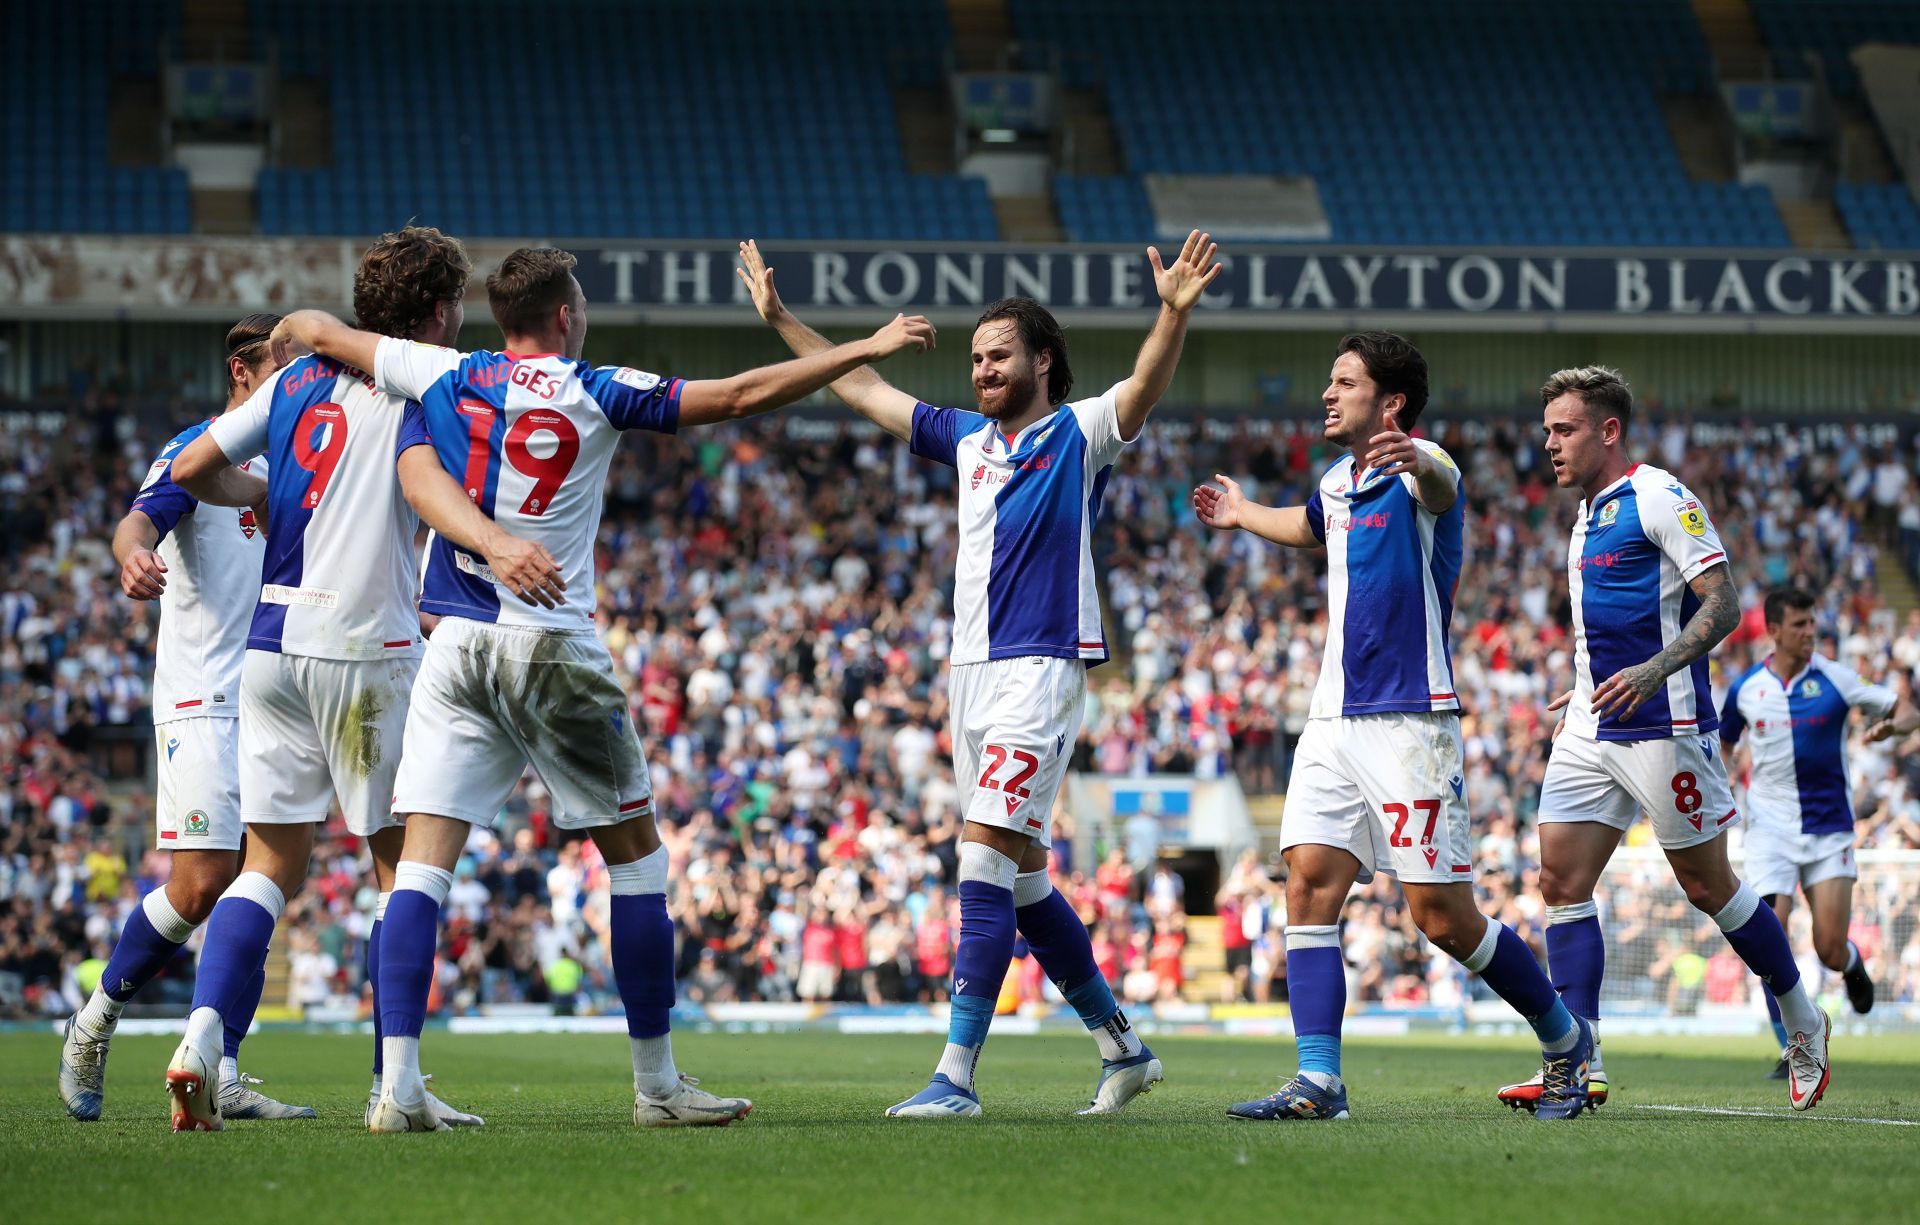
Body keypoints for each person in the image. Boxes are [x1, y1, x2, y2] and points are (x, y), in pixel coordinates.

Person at [273, 244, 934, 1131]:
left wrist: (283, 350)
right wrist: (864, 347)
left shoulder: (442, 370)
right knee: (639, 863)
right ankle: (657, 1085)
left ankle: (396, 1086)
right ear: (563, 317)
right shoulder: (594, 386)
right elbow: (738, 394)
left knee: (420, 872)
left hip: (455, 644)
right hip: (550, 648)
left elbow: (318, 330)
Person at [736, 230, 1223, 1118]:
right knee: (1024, 876)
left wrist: (1172, 313)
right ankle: (1123, 1045)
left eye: (998, 355)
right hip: (969, 674)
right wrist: (785, 322)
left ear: (1043, 361)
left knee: (980, 858)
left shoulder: (1078, 433)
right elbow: (862, 386)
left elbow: (1144, 386)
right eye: (973, 359)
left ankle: (954, 1076)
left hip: (1041, 669)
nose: (981, 370)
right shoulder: (965, 441)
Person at [159, 226, 563, 1132]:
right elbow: (427, 490)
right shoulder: (422, 382)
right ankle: (398, 1085)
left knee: (266, 865)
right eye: (456, 303)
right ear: (436, 310)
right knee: (400, 868)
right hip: (366, 653)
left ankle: (201, 1040)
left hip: (270, 647)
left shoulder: (295, 380)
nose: (462, 319)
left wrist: (265, 496)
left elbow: (192, 467)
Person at [1193, 333, 1595, 1121]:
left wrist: (1420, 459)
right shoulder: (1338, 482)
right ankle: (1319, 1082)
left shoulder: (1420, 471)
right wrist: (1242, 513)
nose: (1327, 393)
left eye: (1343, 381)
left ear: (1391, 402)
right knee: (1307, 887)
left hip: (1411, 723)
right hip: (1332, 720)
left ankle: (1563, 1037)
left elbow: (1444, 485)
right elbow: (1310, 524)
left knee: (1441, 917)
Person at [1495, 366, 1830, 1113]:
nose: (1548, 442)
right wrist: (1581, 688)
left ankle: (1804, 1020)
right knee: (1560, 882)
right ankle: (1580, 1055)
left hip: (1666, 724)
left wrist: (1654, 669)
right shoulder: (1584, 516)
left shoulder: (1660, 496)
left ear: (1608, 431)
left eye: (1565, 429)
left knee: (1709, 886)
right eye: (1547, 428)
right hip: (1593, 722)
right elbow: (1607, 627)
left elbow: (1725, 603)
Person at [59, 314, 313, 1123]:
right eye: (287, 366)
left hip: (277, 695)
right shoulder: (200, 447)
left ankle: (225, 1067)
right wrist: (130, 552)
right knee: (202, 885)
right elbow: (139, 519)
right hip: (204, 693)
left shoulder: (294, 462)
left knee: (265, 879)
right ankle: (94, 1019)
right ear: (245, 372)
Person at [1722, 586, 1909, 1075]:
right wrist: (1720, 781)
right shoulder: (1746, 688)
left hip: (1828, 831)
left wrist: (1896, 726)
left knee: (1826, 947)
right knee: (1768, 938)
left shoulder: (1836, 678)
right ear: (1775, 630)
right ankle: (1795, 1044)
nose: (1811, 632)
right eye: (1801, 625)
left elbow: (1905, 711)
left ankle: (1849, 963)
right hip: (1768, 832)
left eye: (1813, 623)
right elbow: (1722, 742)